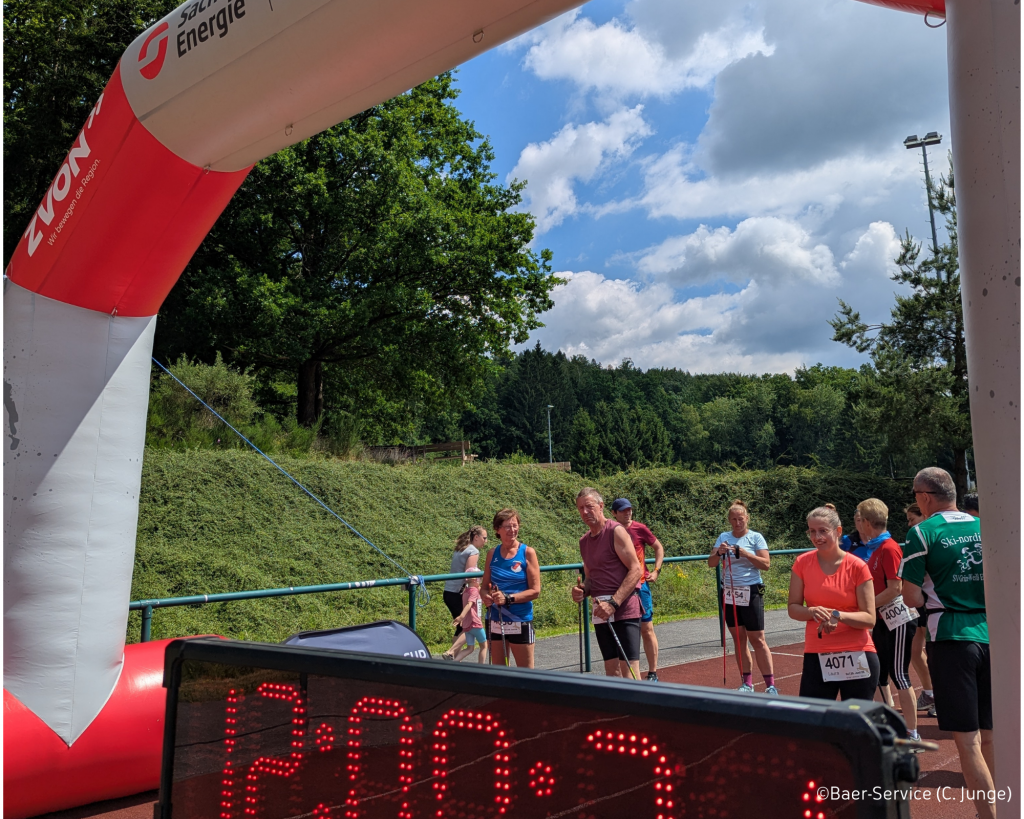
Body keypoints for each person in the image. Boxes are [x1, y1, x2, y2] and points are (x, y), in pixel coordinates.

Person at [900, 468, 994, 819]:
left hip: (952, 637)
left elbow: (911, 596)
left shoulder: (921, 532)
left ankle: (988, 814)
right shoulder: (984, 526)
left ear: (925, 497)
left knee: (967, 742)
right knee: (992, 737)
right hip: (992, 633)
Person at [788, 503, 878, 701]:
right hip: (817, 653)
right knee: (814, 721)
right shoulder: (802, 563)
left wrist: (837, 615)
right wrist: (812, 611)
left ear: (838, 531)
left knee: (855, 725)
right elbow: (793, 608)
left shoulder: (857, 567)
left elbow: (870, 618)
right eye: (812, 531)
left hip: (857, 652)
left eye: (823, 531)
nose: (817, 537)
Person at [859, 498, 920, 741]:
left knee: (899, 673)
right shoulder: (877, 548)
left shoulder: (888, 547)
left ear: (865, 522)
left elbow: (896, 588)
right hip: (884, 618)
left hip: (899, 618)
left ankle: (913, 731)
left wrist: (867, 607)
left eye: (859, 519)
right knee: (879, 673)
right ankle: (889, 723)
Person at [571, 488, 644, 680]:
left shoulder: (616, 531)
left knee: (629, 671)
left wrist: (613, 603)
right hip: (601, 612)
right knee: (611, 672)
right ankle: (619, 710)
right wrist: (582, 590)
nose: (585, 512)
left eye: (589, 507)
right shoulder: (584, 541)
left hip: (624, 607)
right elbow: (590, 578)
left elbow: (636, 570)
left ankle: (639, 708)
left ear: (601, 506)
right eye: (581, 508)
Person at [708, 499, 777, 695]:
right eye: (733, 519)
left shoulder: (756, 538)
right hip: (729, 592)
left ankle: (770, 684)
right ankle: (747, 683)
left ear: (747, 518)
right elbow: (711, 563)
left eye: (741, 519)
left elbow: (766, 564)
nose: (737, 523)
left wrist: (746, 554)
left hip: (751, 589)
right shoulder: (724, 536)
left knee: (758, 638)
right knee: (738, 639)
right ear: (729, 520)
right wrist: (719, 553)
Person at [610, 498, 665, 681]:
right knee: (622, 632)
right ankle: (626, 675)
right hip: (619, 588)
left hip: (640, 586)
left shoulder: (639, 528)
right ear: (614, 513)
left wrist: (656, 570)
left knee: (646, 628)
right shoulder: (609, 531)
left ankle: (653, 672)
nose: (628, 513)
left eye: (630, 510)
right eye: (623, 510)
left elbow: (658, 547)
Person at [481, 508, 541, 668]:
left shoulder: (527, 553)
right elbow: (484, 587)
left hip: (519, 619)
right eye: (507, 526)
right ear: (497, 529)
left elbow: (535, 591)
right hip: (495, 619)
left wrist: (508, 599)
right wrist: (486, 596)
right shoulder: (492, 554)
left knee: (525, 675)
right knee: (499, 674)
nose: (512, 530)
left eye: (515, 525)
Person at [904, 502, 936, 716]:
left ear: (923, 517)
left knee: (935, 654)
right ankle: (931, 692)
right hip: (918, 603)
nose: (908, 524)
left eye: (911, 519)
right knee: (914, 652)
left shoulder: (931, 538)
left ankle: (939, 695)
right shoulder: (915, 540)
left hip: (933, 604)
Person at [444, 526, 486, 647]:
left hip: (449, 591)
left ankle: (454, 658)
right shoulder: (473, 551)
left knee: (461, 626)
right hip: (458, 592)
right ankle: (451, 654)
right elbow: (470, 575)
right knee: (466, 626)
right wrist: (478, 592)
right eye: (485, 538)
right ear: (476, 537)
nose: (486, 541)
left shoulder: (461, 548)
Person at [443, 576, 488, 663]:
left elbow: (477, 601)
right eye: (480, 579)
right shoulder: (474, 591)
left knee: (470, 648)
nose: (481, 581)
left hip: (467, 625)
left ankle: (455, 661)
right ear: (475, 580)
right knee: (484, 646)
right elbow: (469, 604)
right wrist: (461, 617)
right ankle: (481, 667)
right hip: (475, 623)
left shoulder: (466, 591)